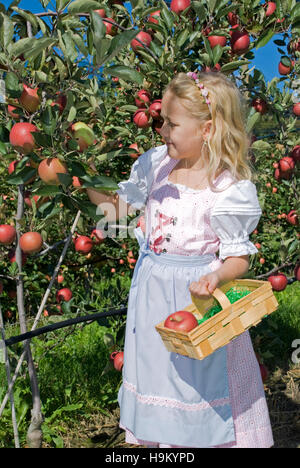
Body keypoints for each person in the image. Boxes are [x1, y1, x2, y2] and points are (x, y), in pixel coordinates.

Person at [88, 71, 274, 448]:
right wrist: (79, 177)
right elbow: (118, 209)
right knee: (159, 380)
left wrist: (218, 276)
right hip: (152, 300)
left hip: (197, 303)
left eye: (172, 124)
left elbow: (239, 257)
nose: (162, 131)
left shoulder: (227, 187)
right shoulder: (155, 164)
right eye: (162, 122)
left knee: (200, 387)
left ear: (206, 130)